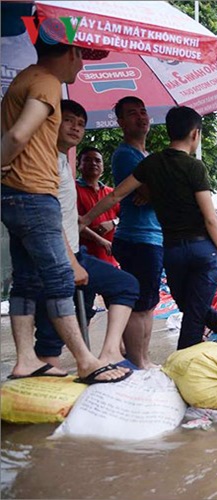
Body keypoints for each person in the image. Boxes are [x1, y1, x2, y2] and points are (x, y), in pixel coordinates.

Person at [1, 36, 129, 383]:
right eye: (81, 58)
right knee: (59, 278)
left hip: (15, 194)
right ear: (71, 54)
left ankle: (26, 359)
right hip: (34, 194)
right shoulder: (46, 82)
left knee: (25, 281)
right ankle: (87, 362)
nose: (82, 66)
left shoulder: (25, 77)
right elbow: (16, 136)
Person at [81, 106, 217, 351]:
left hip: (171, 251)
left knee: (187, 305)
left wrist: (84, 219)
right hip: (202, 249)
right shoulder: (195, 167)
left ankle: (216, 326)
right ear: (195, 134)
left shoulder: (152, 162)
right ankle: (189, 367)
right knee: (193, 315)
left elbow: (116, 196)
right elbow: (210, 218)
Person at [34, 100, 140, 371]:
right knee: (56, 315)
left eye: (81, 124)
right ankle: (49, 372)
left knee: (124, 286)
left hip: (84, 257)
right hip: (65, 255)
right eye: (68, 121)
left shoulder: (71, 170)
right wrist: (74, 256)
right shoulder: (46, 162)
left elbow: (118, 211)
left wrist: (110, 224)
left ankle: (109, 353)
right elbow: (53, 216)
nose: (76, 128)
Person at [110, 96, 163, 368]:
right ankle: (137, 361)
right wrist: (154, 191)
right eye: (132, 113)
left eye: (143, 111)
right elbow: (155, 192)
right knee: (139, 304)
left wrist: (156, 191)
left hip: (152, 237)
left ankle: (143, 358)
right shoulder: (124, 155)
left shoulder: (148, 157)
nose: (141, 117)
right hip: (137, 238)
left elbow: (163, 193)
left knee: (150, 303)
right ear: (120, 122)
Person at [76, 147, 120, 267]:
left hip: (111, 260)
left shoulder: (112, 194)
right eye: (88, 160)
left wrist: (114, 222)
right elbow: (71, 222)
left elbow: (126, 217)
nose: (93, 163)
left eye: (97, 160)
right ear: (79, 164)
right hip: (83, 259)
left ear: (103, 167)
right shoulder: (72, 190)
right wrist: (98, 239)